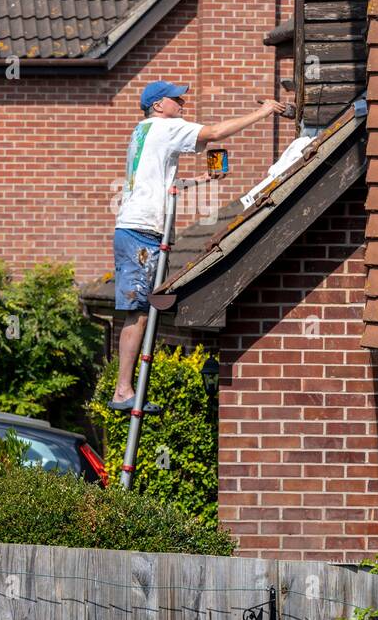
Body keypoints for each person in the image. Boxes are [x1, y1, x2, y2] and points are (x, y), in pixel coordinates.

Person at [110, 80, 286, 410]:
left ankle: (125, 389)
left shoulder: (144, 132)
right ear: (159, 104)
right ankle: (123, 391)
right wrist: (263, 113)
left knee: (143, 310)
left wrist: (202, 181)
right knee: (138, 313)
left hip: (135, 227)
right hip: (141, 231)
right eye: (177, 100)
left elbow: (164, 184)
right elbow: (215, 134)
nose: (183, 105)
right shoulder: (164, 127)